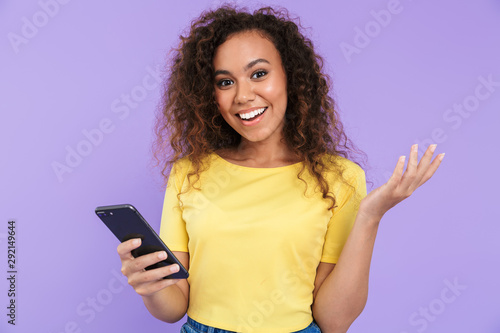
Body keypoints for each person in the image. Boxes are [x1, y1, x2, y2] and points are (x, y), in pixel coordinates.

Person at [117, 5, 444, 333]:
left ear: (291, 76)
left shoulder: (339, 179)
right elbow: (174, 308)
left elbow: (334, 320)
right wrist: (149, 284)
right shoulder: (189, 173)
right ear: (209, 94)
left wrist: (371, 216)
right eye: (225, 81)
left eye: (259, 74)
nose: (243, 95)